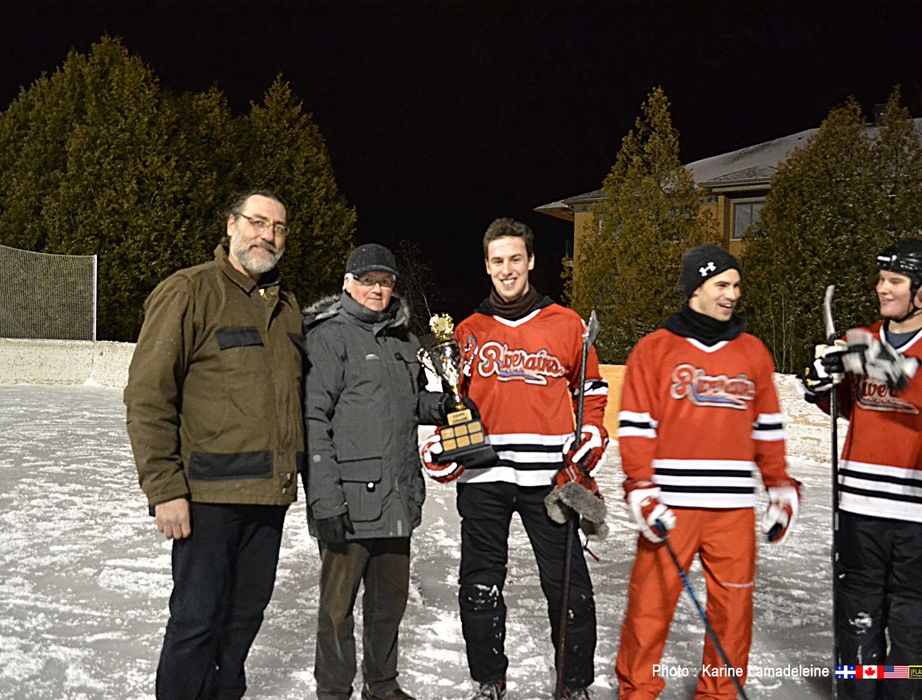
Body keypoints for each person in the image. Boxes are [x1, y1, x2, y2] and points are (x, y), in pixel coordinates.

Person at [124, 190, 304, 699]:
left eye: (279, 227)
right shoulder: (189, 292)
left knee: (244, 620)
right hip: (205, 499)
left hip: (267, 500)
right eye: (257, 222)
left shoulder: (287, 308)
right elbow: (147, 395)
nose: (267, 235)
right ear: (231, 225)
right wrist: (164, 489)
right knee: (196, 623)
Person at [420, 218, 609, 700]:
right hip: (485, 477)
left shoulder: (567, 325)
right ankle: (489, 680)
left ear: (531, 261)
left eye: (515, 259)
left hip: (550, 479)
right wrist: (447, 445)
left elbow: (592, 392)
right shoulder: (466, 332)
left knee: (570, 588)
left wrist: (589, 437)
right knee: (480, 587)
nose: (507, 269)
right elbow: (454, 405)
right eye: (497, 261)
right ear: (487, 266)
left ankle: (574, 684)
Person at [616, 243, 801, 699]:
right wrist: (641, 489)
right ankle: (637, 692)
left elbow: (768, 427)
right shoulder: (655, 349)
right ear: (696, 287)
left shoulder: (753, 353)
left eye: (736, 285)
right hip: (671, 507)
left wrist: (778, 485)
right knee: (648, 611)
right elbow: (636, 429)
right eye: (722, 284)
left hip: (733, 511)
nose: (732, 294)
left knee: (732, 615)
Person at [800, 239, 922, 700]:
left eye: (894, 280)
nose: (882, 289)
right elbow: (850, 405)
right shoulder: (863, 338)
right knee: (857, 613)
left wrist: (895, 370)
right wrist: (822, 387)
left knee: (915, 621)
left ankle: (906, 694)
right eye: (881, 279)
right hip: (861, 504)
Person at [302, 243, 445, 700]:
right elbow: (313, 422)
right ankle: (334, 690)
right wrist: (325, 500)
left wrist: (439, 406)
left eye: (385, 282)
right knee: (337, 609)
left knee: (388, 606)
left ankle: (382, 685)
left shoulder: (403, 340)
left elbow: (405, 403)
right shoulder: (328, 337)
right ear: (348, 283)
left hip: (397, 495)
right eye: (368, 281)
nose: (378, 290)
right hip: (348, 500)